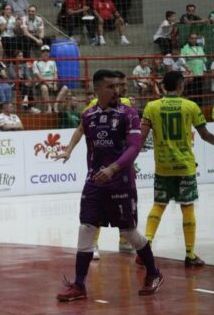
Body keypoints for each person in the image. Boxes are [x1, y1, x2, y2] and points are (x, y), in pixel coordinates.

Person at [55, 69, 163, 302]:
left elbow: (134, 147)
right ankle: (79, 285)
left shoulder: (129, 114)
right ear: (97, 90)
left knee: (128, 232)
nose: (117, 91)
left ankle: (154, 272)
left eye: (118, 86)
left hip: (121, 182)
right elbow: (81, 130)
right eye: (110, 87)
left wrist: (114, 168)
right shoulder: (88, 114)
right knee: (86, 228)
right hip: (94, 181)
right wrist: (68, 149)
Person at [140, 71, 214, 267]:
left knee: (159, 205)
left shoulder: (151, 107)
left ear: (163, 85)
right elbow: (205, 135)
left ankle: (146, 249)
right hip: (185, 165)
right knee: (187, 207)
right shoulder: (190, 106)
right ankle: (190, 254)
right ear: (180, 85)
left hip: (163, 166)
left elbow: (141, 138)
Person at [32, 45, 69, 113]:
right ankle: (48, 106)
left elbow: (55, 73)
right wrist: (48, 84)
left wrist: (54, 83)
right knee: (44, 88)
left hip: (52, 81)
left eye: (47, 52)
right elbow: (38, 76)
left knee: (65, 87)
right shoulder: (36, 62)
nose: (46, 53)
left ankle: (55, 105)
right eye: (44, 52)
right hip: (42, 82)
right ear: (41, 53)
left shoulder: (52, 62)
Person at [180, 32, 205, 100]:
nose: (194, 40)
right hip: (190, 75)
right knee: (191, 94)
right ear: (188, 39)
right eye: (192, 38)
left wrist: (204, 71)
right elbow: (182, 61)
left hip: (200, 74)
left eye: (195, 38)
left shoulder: (200, 48)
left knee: (199, 94)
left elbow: (203, 60)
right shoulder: (184, 49)